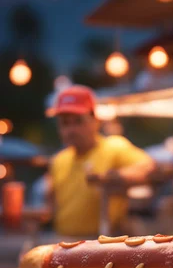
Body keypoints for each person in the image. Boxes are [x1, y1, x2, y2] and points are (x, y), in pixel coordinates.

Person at [45, 85, 155, 236]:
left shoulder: (114, 147)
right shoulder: (59, 160)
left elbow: (149, 166)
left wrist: (116, 177)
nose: (71, 130)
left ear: (95, 120)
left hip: (101, 242)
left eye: (78, 121)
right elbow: (50, 207)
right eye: (65, 123)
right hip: (63, 241)